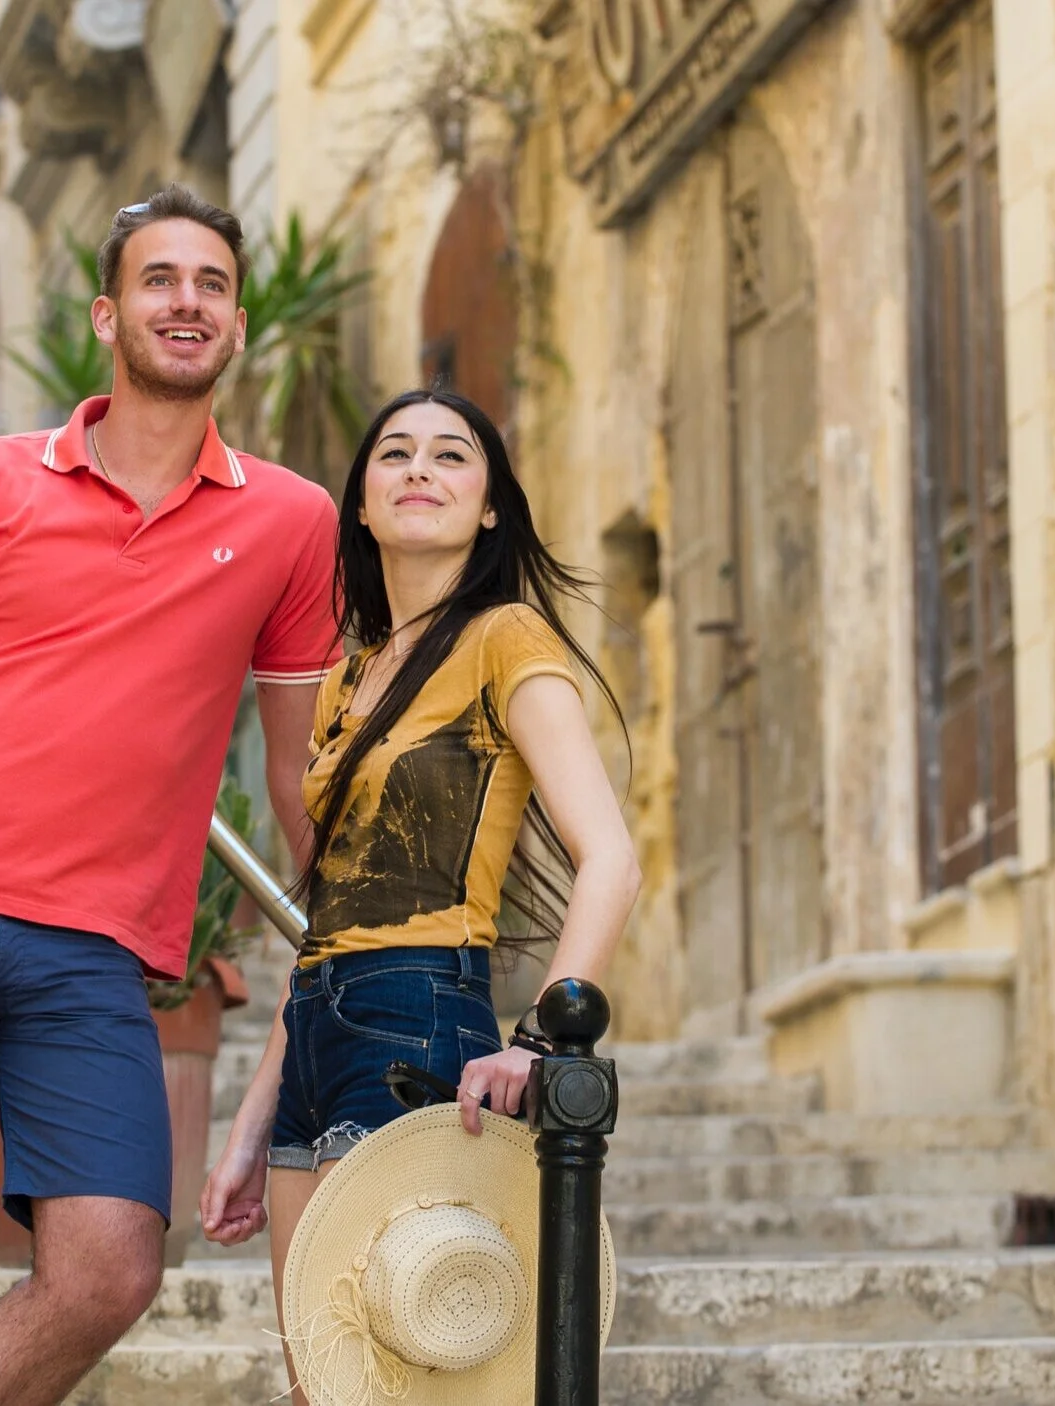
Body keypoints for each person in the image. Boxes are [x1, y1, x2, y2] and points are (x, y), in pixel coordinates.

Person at [0, 186, 341, 1406]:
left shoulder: (291, 521)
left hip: (95, 948)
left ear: (238, 325)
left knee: (109, 1264)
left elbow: (295, 766)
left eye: (212, 284)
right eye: (160, 279)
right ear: (108, 316)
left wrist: (359, 925)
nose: (187, 302)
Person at [197, 389, 642, 1405]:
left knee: (397, 1379)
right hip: (316, 1026)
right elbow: (330, 913)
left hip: (417, 1012)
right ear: (360, 503)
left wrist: (541, 1039)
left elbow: (611, 858)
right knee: (320, 1381)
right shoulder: (345, 681)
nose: (419, 470)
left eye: (451, 455)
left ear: (489, 508)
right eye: (394, 453)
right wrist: (252, 1121)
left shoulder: (505, 637)